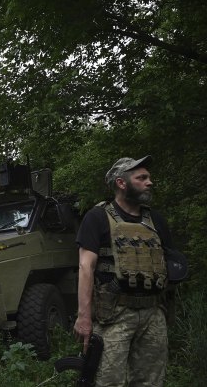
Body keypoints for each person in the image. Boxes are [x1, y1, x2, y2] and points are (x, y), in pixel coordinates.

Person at [73, 155, 180, 386]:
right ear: (121, 183)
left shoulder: (155, 220)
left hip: (153, 313)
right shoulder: (97, 217)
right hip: (114, 313)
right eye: (141, 178)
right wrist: (84, 317)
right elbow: (86, 267)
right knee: (108, 381)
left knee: (151, 381)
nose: (149, 182)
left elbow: (170, 265)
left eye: (149, 178)